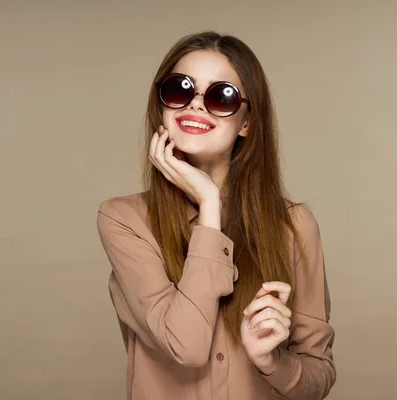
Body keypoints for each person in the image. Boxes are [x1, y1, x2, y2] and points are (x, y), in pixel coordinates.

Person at [96, 31, 336, 400]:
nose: (195, 106)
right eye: (180, 90)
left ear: (246, 123)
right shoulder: (125, 220)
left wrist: (271, 362)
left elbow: (317, 378)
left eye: (220, 96)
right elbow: (186, 345)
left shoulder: (293, 226)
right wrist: (209, 203)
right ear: (161, 106)